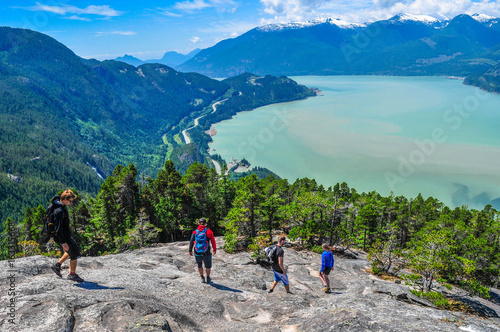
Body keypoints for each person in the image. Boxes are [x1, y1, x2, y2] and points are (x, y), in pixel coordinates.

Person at [50, 189, 84, 282]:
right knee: (75, 254)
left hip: (65, 236)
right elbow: (58, 229)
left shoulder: (59, 207)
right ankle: (72, 275)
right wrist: (63, 243)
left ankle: (57, 266)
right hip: (63, 237)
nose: (71, 203)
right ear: (65, 199)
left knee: (71, 251)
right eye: (70, 201)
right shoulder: (59, 211)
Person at [189, 218, 217, 283]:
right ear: (205, 224)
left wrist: (190, 250)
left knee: (199, 265)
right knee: (208, 266)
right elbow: (213, 241)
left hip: (197, 251)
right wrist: (214, 249)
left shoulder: (195, 232)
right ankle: (208, 277)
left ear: (198, 223)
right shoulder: (209, 231)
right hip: (206, 251)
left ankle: (202, 277)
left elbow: (191, 241)